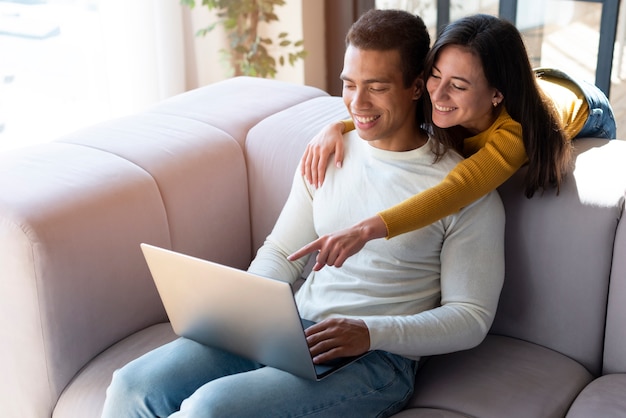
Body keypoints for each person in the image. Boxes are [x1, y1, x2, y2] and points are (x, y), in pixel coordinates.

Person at [101, 9, 505, 418]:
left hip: (377, 359)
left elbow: (470, 317)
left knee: (212, 409)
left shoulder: (466, 192)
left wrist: (368, 333)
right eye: (349, 85)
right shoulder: (328, 153)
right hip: (290, 330)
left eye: (377, 88)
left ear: (416, 86)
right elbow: (281, 251)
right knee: (133, 385)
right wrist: (248, 312)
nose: (357, 103)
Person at [290, 13, 616, 272]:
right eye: (435, 75)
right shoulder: (437, 92)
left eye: (457, 85)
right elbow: (390, 110)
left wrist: (363, 231)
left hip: (586, 105)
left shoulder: (514, 133)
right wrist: (337, 126)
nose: (438, 94)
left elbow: (456, 190)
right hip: (529, 81)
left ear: (496, 94)